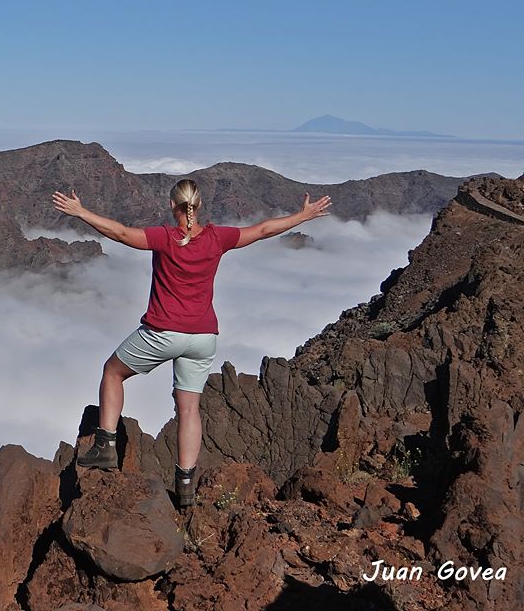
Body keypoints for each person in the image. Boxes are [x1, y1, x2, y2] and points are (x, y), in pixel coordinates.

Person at [52, 179, 332, 508]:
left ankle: (106, 447)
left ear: (173, 206)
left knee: (113, 372)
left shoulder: (164, 238)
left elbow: (122, 234)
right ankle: (185, 486)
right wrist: (302, 216)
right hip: (202, 338)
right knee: (188, 410)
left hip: (162, 332)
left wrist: (81, 212)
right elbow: (263, 230)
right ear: (198, 207)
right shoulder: (217, 237)